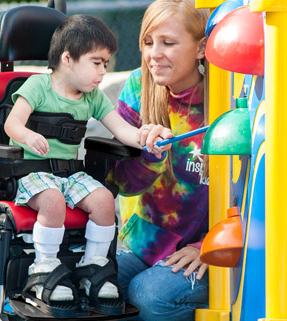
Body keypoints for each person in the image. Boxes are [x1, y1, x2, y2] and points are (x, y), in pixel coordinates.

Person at [4, 14, 172, 316]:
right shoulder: (38, 86)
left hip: (69, 174)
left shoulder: (92, 97)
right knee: (53, 201)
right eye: (97, 63)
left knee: (104, 200)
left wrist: (148, 136)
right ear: (68, 58)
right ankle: (44, 267)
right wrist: (28, 136)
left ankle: (94, 265)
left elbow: (122, 130)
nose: (103, 72)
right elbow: (12, 123)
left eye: (106, 64)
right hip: (32, 173)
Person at [107, 0, 210, 320]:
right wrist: (150, 157)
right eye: (148, 43)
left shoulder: (225, 94)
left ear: (201, 47)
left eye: (168, 43)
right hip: (144, 241)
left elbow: (253, 190)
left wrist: (212, 246)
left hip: (204, 247)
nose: (154, 54)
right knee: (93, 286)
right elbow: (120, 183)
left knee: (148, 295)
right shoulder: (139, 87)